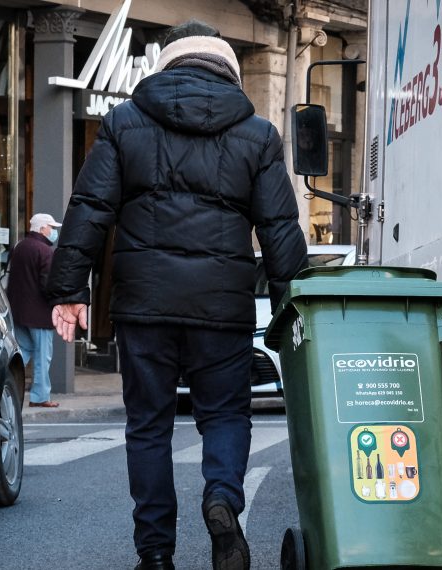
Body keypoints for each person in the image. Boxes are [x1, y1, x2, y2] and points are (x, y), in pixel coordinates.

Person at [46, 19, 307, 570]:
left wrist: (69, 288)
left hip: (144, 306)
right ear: (228, 69)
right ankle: (222, 498)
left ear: (166, 64)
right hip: (222, 306)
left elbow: (90, 207)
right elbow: (280, 228)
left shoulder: (124, 122)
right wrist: (295, 308)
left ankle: (156, 553)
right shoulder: (258, 135)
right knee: (226, 415)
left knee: (148, 427)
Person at [7, 212, 63, 408]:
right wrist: (59, 303)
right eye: (51, 227)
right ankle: (40, 396)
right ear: (42, 228)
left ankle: (5, 385)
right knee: (42, 355)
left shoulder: (19, 247)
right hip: (39, 313)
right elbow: (48, 284)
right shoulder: (45, 251)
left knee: (23, 350)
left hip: (18, 311)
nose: (53, 231)